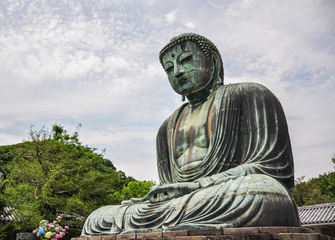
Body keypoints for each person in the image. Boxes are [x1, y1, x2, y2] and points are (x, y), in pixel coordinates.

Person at [81, 33, 300, 236]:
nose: (177, 72)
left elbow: (274, 169)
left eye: (185, 60)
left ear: (213, 62)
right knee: (97, 218)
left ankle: (174, 223)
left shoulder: (250, 94)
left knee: (263, 192)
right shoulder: (166, 127)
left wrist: (198, 186)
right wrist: (159, 198)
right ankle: (170, 224)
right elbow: (168, 184)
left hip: (228, 194)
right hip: (185, 203)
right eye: (169, 69)